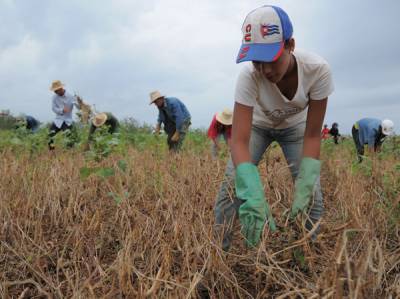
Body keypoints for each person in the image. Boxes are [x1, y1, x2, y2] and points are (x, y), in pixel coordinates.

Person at [214, 5, 334, 250]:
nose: (265, 70)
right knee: (231, 188)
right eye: (257, 61)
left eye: (271, 59)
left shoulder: (318, 71)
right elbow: (238, 141)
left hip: (296, 130)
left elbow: (312, 134)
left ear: (290, 45)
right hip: (258, 126)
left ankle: (307, 255)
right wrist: (251, 189)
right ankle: (218, 255)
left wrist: (306, 180)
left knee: (312, 196)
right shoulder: (249, 77)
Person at [48, 80, 80, 150]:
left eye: (56, 90)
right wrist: (62, 110)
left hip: (67, 121)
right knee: (50, 135)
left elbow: (78, 107)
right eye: (54, 91)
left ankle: (70, 152)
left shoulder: (71, 96)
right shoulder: (54, 97)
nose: (55, 92)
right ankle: (51, 151)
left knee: (68, 138)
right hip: (58, 120)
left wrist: (79, 101)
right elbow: (53, 108)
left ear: (61, 88)